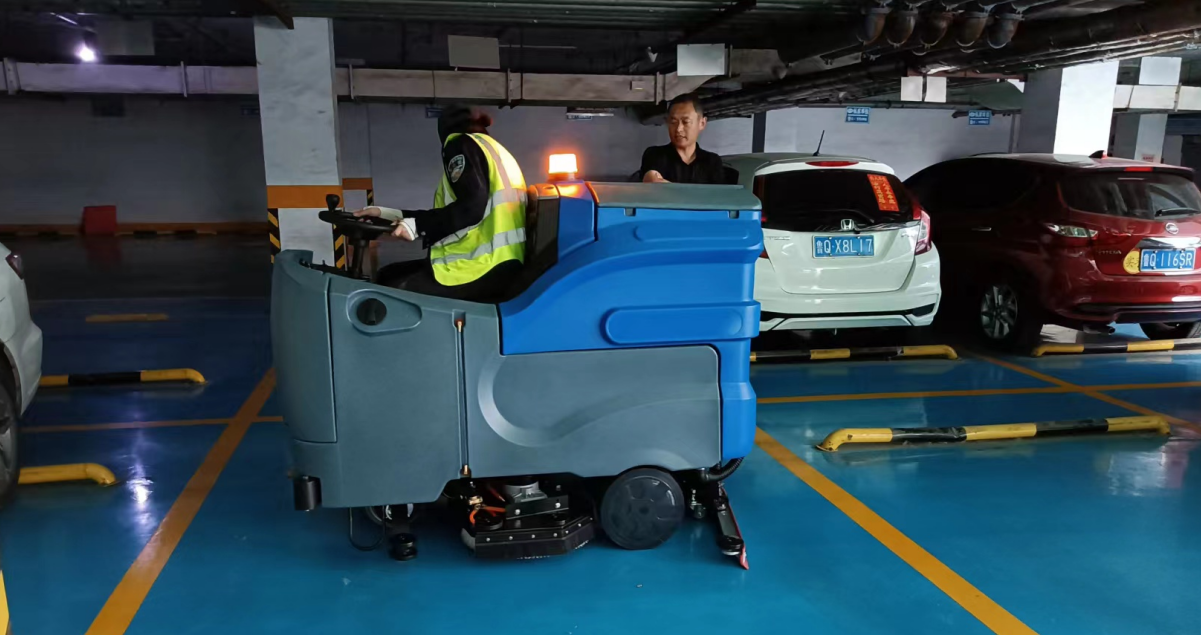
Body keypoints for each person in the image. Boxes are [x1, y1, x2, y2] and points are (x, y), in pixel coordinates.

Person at [353, 106, 527, 303]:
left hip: (479, 266)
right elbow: (460, 209)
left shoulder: (460, 144)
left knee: (389, 294)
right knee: (388, 274)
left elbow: (472, 208)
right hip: (504, 261)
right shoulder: (494, 149)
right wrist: (385, 214)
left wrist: (417, 226)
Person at [639, 93, 725, 185]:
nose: (678, 129)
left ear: (702, 123)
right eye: (673, 122)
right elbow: (653, 182)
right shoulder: (655, 154)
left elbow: (718, 193)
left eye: (686, 122)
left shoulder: (712, 161)